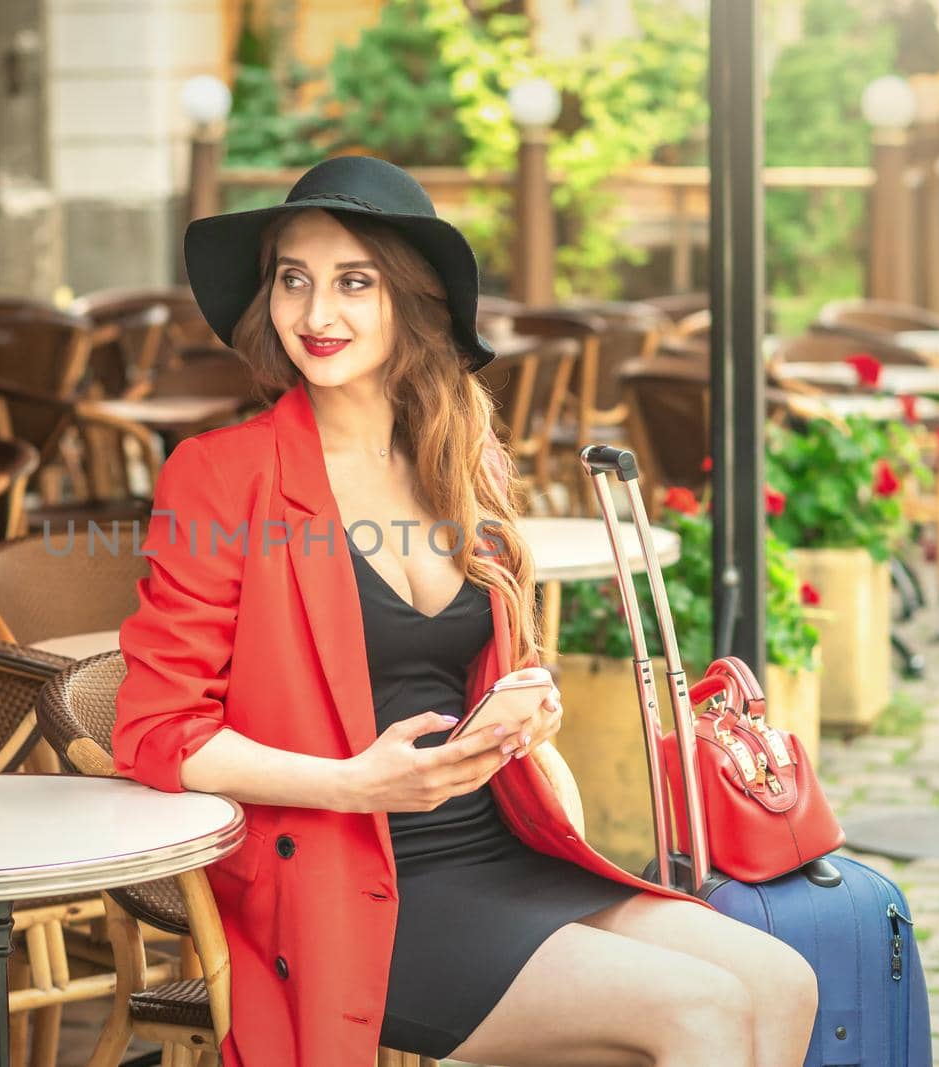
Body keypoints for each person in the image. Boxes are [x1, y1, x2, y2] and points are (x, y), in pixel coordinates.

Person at [112, 156, 818, 1067]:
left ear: (411, 299)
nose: (315, 315)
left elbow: (468, 664)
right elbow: (157, 731)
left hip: (501, 843)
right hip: (349, 879)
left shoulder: (459, 452)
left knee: (783, 982)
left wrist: (524, 710)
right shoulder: (221, 474)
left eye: (352, 282)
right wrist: (358, 783)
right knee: (700, 1012)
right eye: (294, 280)